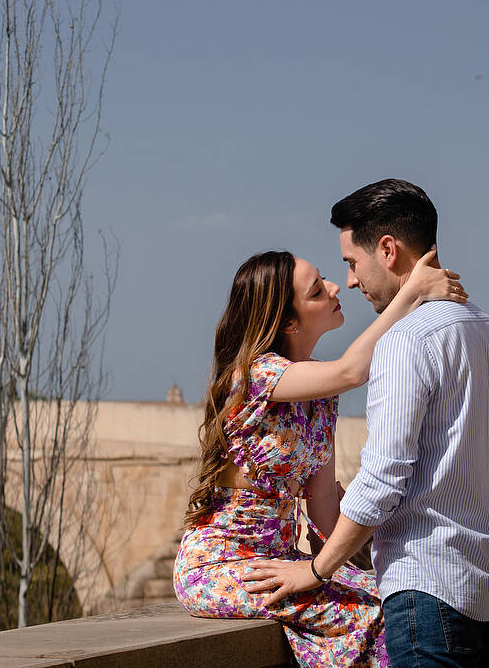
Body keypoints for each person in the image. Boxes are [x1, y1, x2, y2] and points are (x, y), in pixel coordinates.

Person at [243, 179, 489, 668]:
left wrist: (318, 571)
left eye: (351, 262)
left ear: (387, 249)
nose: (348, 281)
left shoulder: (406, 341)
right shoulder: (485, 327)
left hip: (428, 595)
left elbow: (382, 479)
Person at [173, 246, 467, 668]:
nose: (334, 288)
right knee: (366, 619)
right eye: (316, 291)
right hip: (219, 567)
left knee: (396, 603)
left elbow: (324, 504)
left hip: (280, 562)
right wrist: (412, 291)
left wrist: (362, 556)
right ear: (289, 321)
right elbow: (351, 370)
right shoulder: (256, 373)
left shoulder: (322, 398)